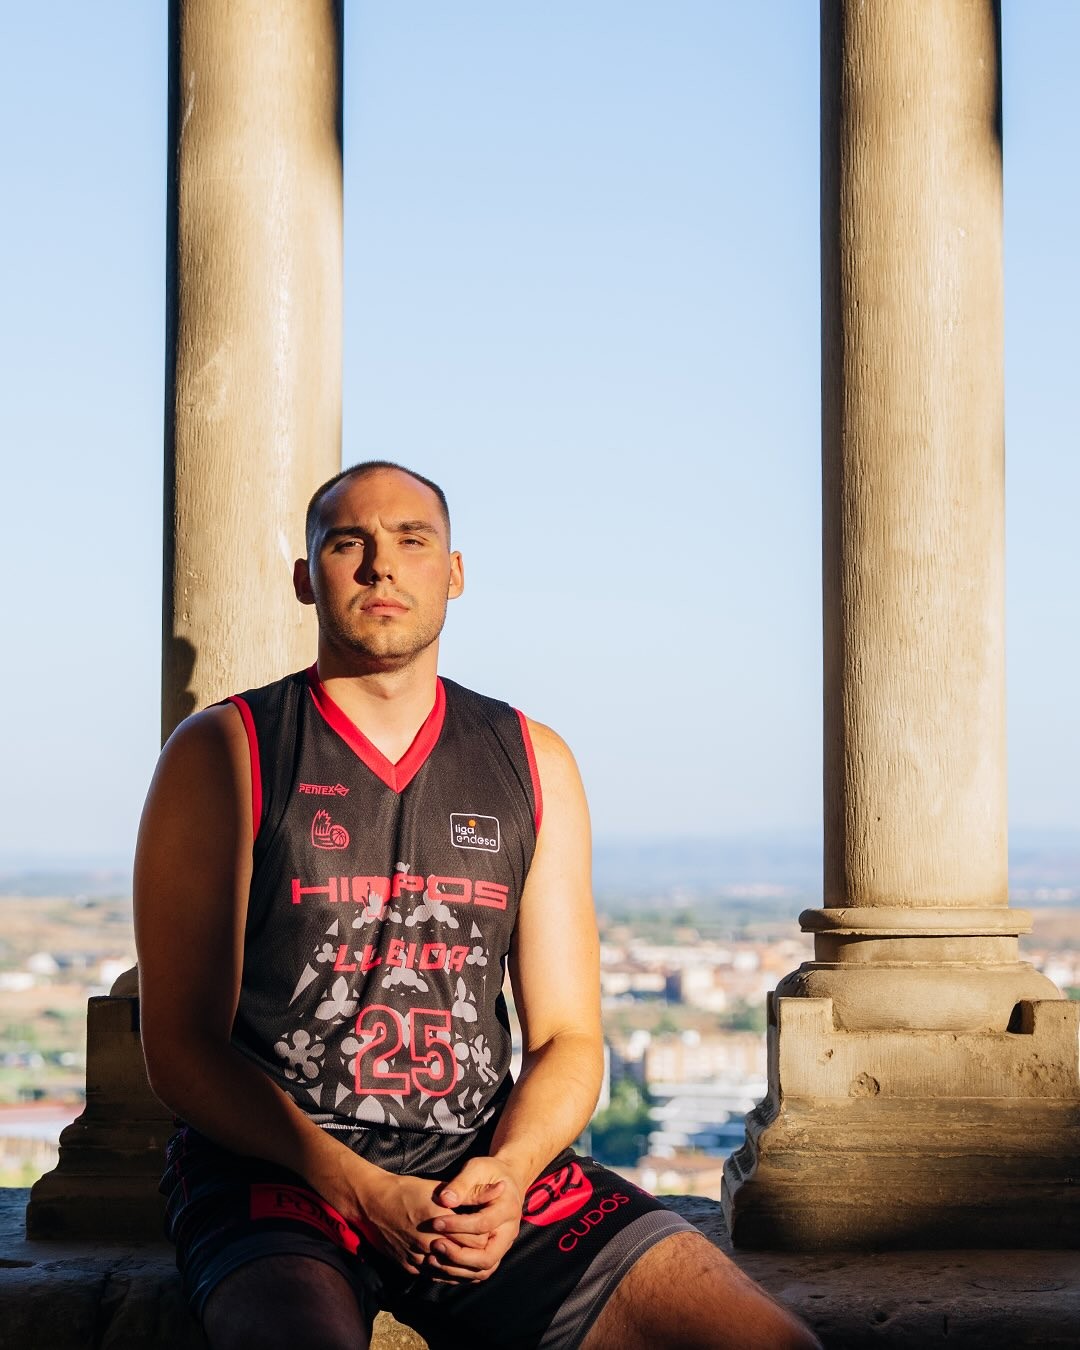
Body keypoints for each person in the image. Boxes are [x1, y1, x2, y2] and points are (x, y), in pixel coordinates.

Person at [134, 461, 820, 1350]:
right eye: (348, 544)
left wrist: (512, 1172)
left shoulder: (532, 761)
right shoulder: (228, 750)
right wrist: (362, 1192)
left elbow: (568, 1038)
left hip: (474, 1164)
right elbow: (181, 1049)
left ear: (453, 573)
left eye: (411, 540)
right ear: (307, 578)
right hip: (277, 1172)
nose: (382, 565)